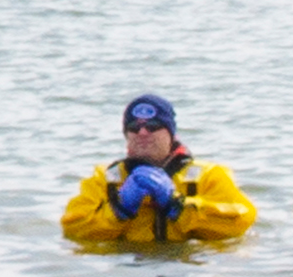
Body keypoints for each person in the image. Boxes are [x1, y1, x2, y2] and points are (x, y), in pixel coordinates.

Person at [60, 93, 258, 249]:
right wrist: (118, 209)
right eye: (134, 127)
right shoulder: (105, 180)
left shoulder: (207, 175)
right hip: (129, 270)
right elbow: (72, 229)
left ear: (171, 133)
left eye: (153, 126)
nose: (143, 133)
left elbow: (241, 220)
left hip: (188, 267)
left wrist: (178, 204)